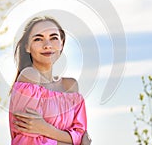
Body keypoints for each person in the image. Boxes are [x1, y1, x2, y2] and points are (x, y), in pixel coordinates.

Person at [9, 16, 92, 145]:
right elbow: (27, 140)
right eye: (38, 39)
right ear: (27, 47)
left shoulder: (70, 86)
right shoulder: (29, 77)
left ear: (62, 43)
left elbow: (81, 135)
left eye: (53, 38)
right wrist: (71, 140)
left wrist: (44, 129)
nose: (47, 45)